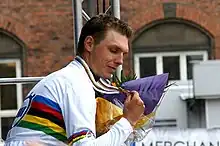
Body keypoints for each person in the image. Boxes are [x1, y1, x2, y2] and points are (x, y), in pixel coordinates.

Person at [4, 14, 145, 146]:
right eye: (114, 50)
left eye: (123, 54)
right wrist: (128, 121)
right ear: (89, 44)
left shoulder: (67, 78)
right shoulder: (76, 83)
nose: (120, 61)